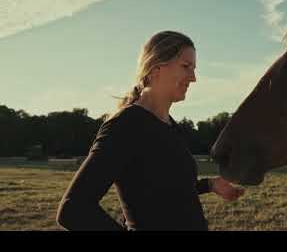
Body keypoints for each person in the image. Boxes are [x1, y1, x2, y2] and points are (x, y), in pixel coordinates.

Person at [56, 31, 245, 231]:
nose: (193, 78)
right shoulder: (125, 126)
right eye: (185, 66)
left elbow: (163, 191)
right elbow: (73, 209)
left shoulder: (170, 124)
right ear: (156, 67)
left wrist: (209, 185)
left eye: (194, 69)